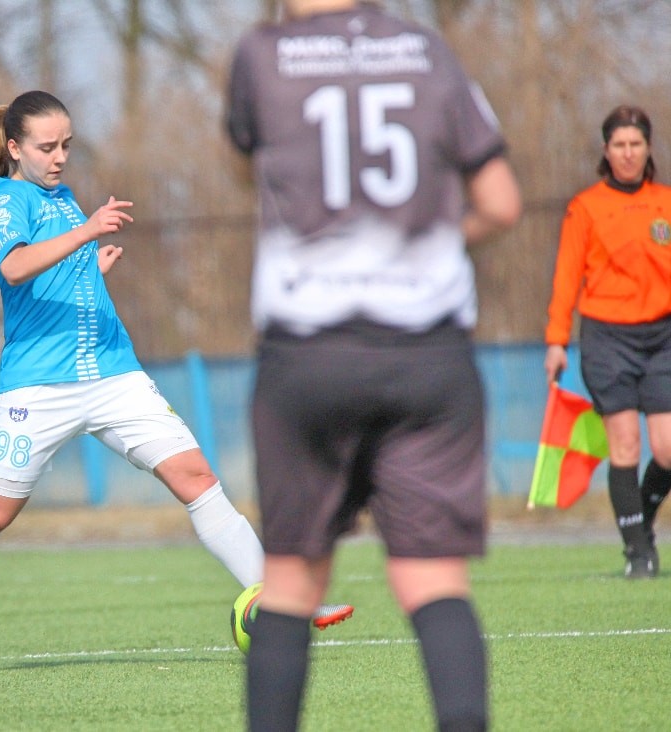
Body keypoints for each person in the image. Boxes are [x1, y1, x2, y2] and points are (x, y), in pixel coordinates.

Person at [0, 90, 353, 673]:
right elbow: (16, 267)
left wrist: (89, 271)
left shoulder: (63, 199)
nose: (59, 157)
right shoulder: (5, 200)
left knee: (196, 478)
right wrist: (87, 233)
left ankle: (282, 601)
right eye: (47, 147)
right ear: (14, 148)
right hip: (39, 387)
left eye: (66, 145)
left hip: (113, 373)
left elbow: (51, 276)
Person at [226, 2, 521, 730]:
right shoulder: (426, 51)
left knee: (290, 582)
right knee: (433, 580)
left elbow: (248, 169)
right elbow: (501, 204)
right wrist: (421, 248)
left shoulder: (263, 56)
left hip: (309, 354)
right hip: (428, 354)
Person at [545, 104, 671, 580]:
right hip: (607, 337)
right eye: (619, 144)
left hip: (662, 336)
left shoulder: (665, 202)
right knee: (625, 444)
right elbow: (566, 277)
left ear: (648, 148)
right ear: (606, 150)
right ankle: (638, 553)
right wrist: (556, 340)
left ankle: (642, 517)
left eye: (636, 144)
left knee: (667, 449)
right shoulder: (586, 207)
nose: (628, 153)